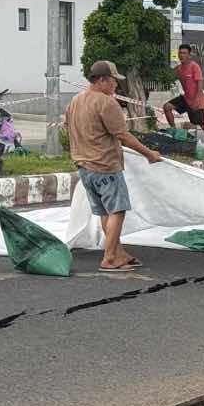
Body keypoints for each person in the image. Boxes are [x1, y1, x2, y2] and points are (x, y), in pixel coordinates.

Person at [65, 60, 163, 272]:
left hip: (84, 167)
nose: (116, 86)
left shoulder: (76, 100)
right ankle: (109, 258)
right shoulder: (106, 103)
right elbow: (122, 135)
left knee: (104, 212)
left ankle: (117, 252)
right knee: (117, 210)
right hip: (105, 166)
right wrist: (149, 154)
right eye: (113, 81)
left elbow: (68, 128)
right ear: (101, 80)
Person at [163, 44, 204, 140]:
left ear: (189, 55)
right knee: (167, 107)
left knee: (203, 125)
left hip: (198, 101)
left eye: (184, 53)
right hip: (186, 99)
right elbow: (168, 76)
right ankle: (173, 130)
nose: (181, 55)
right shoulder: (178, 68)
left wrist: (196, 101)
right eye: (180, 53)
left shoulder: (194, 66)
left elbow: (200, 85)